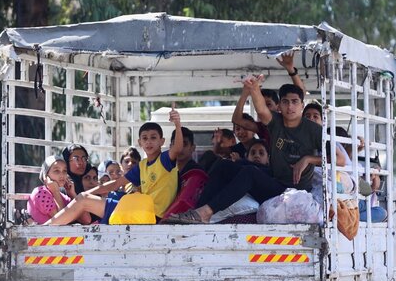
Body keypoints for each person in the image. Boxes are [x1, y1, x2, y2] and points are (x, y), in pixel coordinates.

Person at [168, 53, 322, 224]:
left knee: (249, 172)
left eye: (295, 102)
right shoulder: (275, 122)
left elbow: (338, 159)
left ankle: (206, 212)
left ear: (302, 105)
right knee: (226, 165)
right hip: (275, 180)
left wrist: (308, 159)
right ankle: (197, 213)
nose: (290, 106)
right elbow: (260, 110)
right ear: (281, 106)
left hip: (294, 191)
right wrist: (253, 88)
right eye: (286, 102)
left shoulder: (313, 130)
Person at [45, 107, 183, 224]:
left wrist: (177, 124)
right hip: (138, 211)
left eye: (153, 138)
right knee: (87, 198)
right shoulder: (142, 165)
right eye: (145, 138)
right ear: (139, 142)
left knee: (83, 200)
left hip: (146, 214)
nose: (149, 142)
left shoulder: (164, 160)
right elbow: (115, 184)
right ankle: (47, 227)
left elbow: (177, 148)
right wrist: (87, 192)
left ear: (162, 141)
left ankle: (45, 229)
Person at [28, 155, 89, 224]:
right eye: (57, 171)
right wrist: (55, 192)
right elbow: (62, 223)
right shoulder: (41, 192)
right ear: (46, 176)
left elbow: (86, 220)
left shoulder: (62, 196)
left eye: (64, 171)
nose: (62, 175)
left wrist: (73, 194)